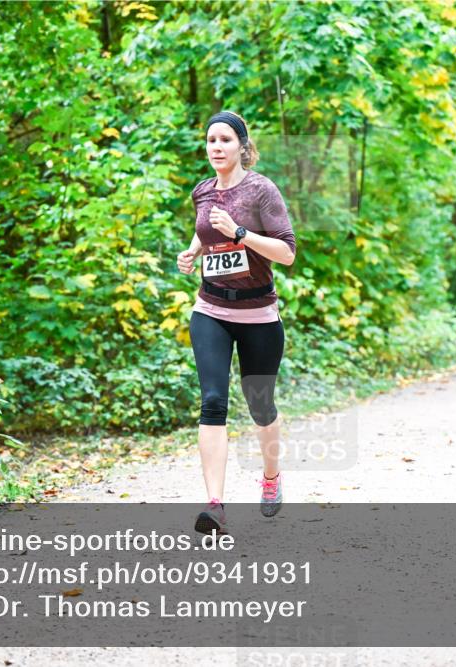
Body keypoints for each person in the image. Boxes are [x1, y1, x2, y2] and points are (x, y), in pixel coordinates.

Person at [176, 111, 296, 534]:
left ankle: (271, 477)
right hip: (210, 309)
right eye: (211, 140)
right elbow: (207, 231)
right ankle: (215, 505)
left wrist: (241, 233)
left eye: (225, 140)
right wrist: (193, 252)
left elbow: (287, 253)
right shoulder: (202, 191)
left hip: (259, 314)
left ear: (242, 146)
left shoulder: (262, 190)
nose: (216, 147)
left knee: (260, 405)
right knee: (212, 401)